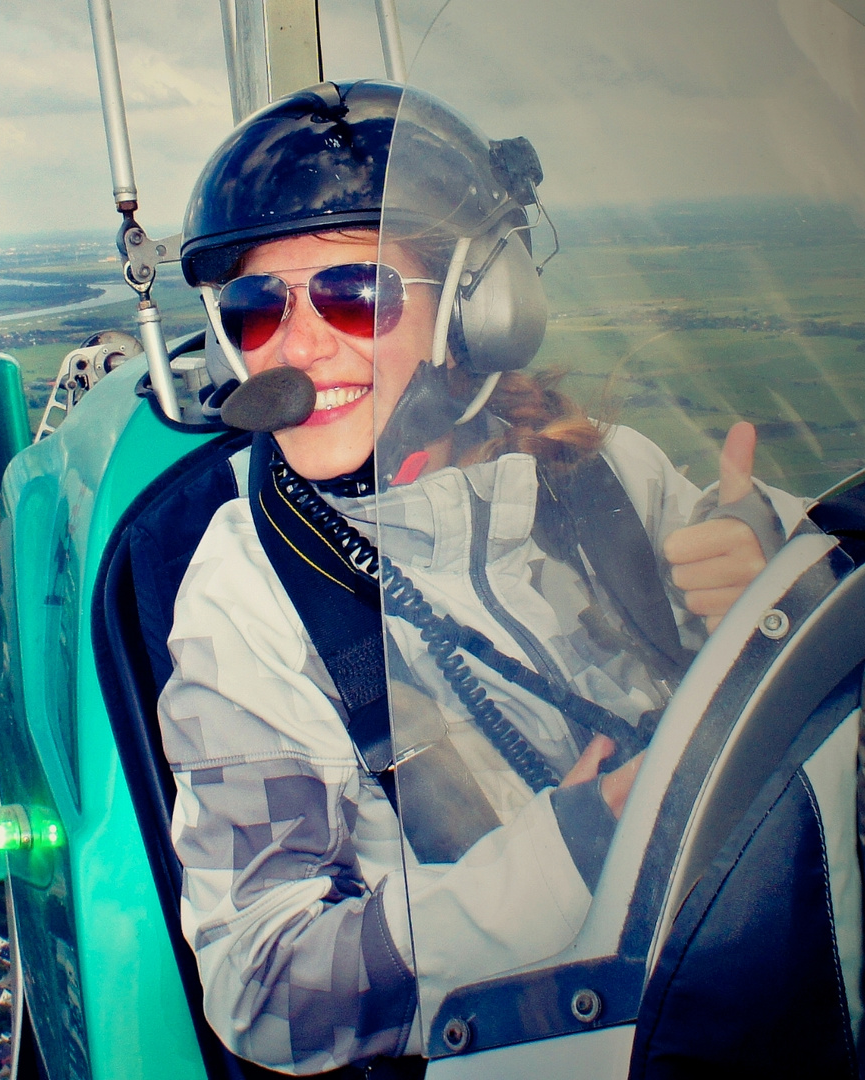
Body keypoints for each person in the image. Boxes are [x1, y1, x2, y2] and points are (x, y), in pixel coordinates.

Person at [157, 81, 804, 1073]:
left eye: (354, 293)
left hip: (767, 962)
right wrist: (582, 850)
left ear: (478, 311)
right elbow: (269, 989)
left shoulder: (610, 474)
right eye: (255, 310)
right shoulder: (250, 598)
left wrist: (765, 570)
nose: (297, 345)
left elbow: (822, 636)